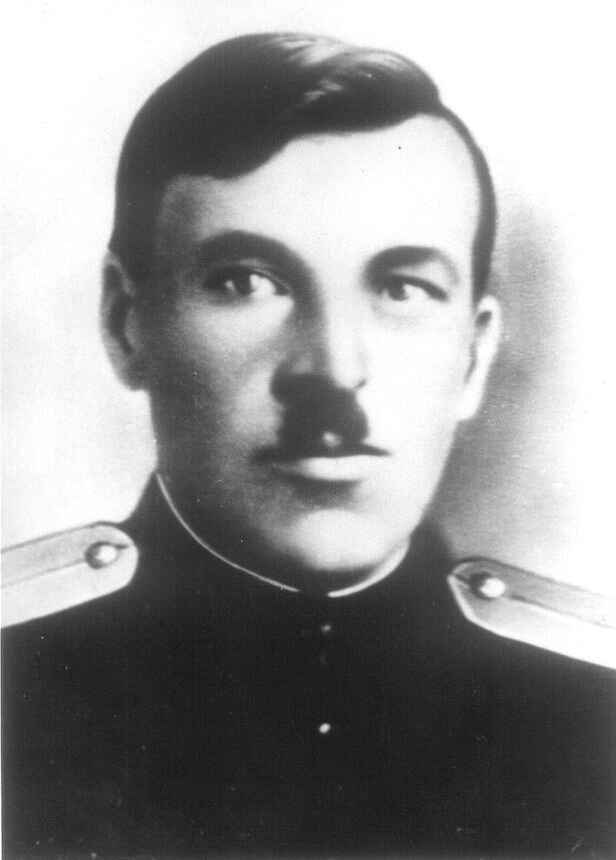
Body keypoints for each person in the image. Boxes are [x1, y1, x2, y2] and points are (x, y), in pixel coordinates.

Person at [2, 32, 614, 858]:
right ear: (125, 325)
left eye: (402, 288)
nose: (332, 369)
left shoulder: (595, 711)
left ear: (473, 358)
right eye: (246, 282)